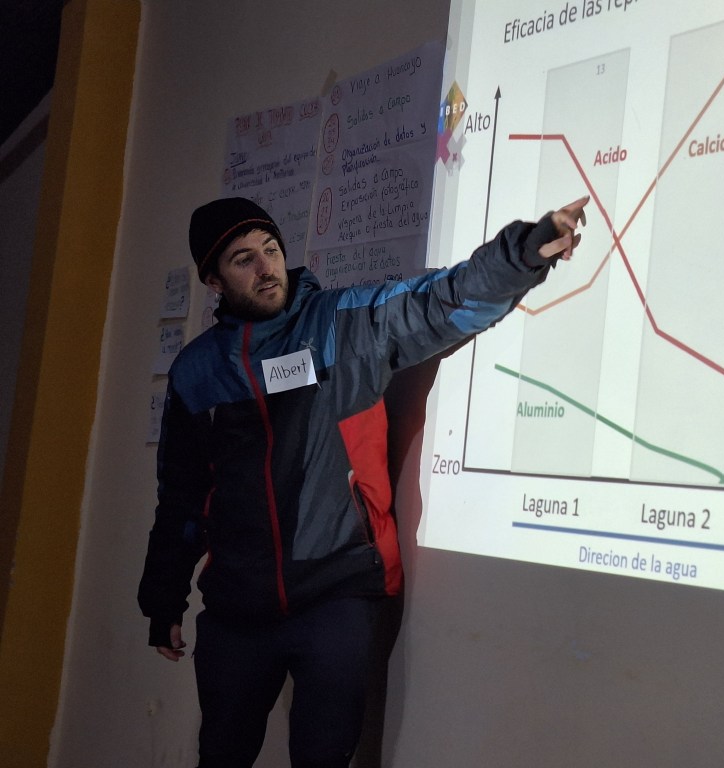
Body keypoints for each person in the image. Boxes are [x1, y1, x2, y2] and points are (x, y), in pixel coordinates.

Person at [137, 193, 589, 767]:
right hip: (236, 609)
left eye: (271, 249)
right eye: (243, 259)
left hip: (337, 592)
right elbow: (180, 496)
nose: (266, 267)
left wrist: (522, 252)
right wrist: (164, 598)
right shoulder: (196, 372)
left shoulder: (342, 324)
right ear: (214, 280)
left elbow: (439, 299)